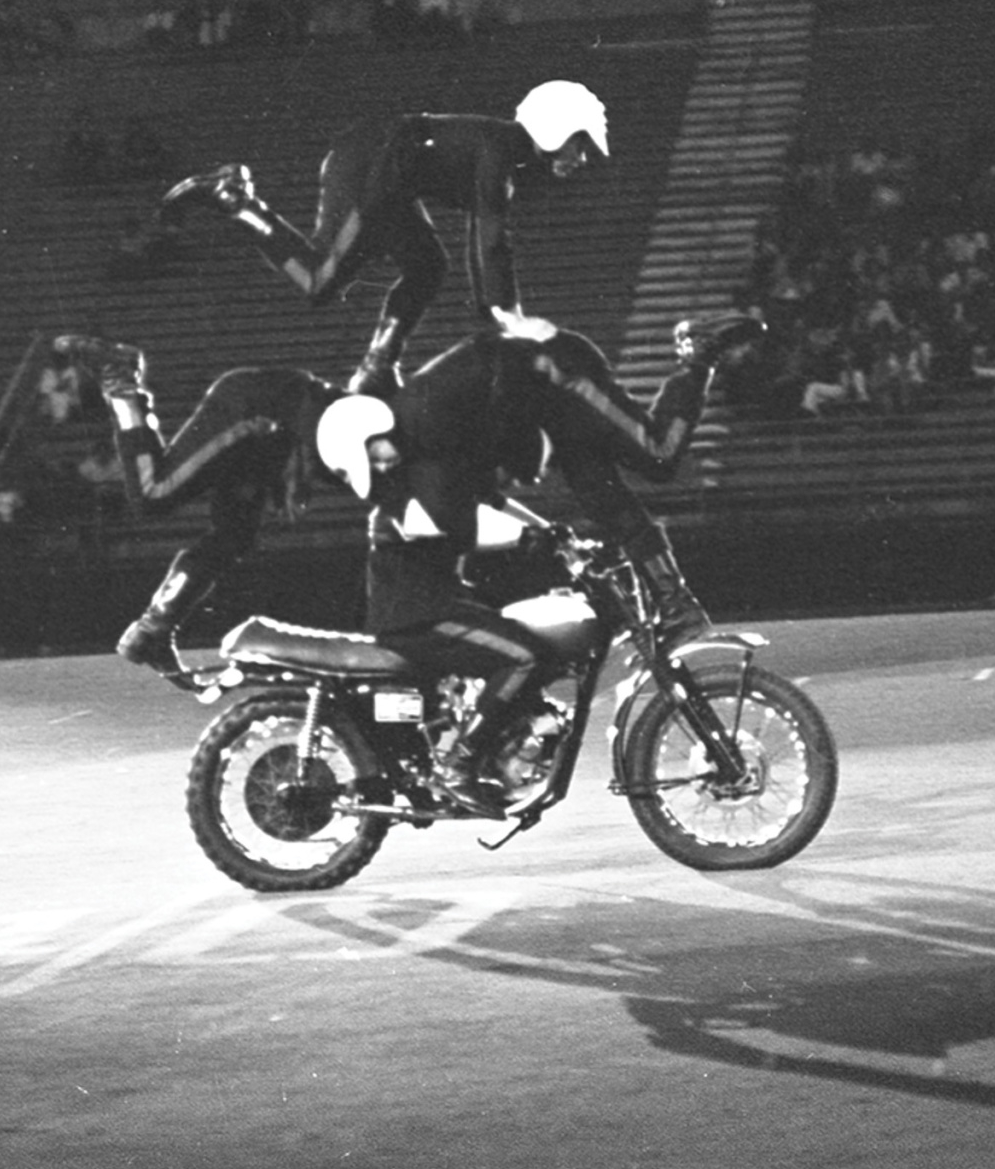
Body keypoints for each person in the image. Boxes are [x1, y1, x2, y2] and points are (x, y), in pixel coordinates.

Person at [157, 81, 609, 391]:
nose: (582, 158)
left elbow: (483, 232)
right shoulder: (501, 152)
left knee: (429, 266)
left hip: (387, 175)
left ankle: (378, 365)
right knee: (318, 282)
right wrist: (508, 315)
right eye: (581, 143)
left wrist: (498, 312)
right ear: (557, 127)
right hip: (368, 170)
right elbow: (491, 234)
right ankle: (235, 200)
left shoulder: (507, 151)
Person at [386, 309, 763, 645]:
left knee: (658, 456)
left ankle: (700, 354)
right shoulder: (425, 452)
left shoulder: (422, 435)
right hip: (547, 408)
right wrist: (544, 529)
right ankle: (677, 607)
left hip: (561, 378)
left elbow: (489, 482)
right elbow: (491, 496)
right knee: (608, 506)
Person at [313, 389, 565, 815]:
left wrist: (555, 533)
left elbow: (488, 499)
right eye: (370, 461)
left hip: (439, 609)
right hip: (418, 620)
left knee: (526, 644)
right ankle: (459, 767)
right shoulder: (394, 504)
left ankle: (500, 746)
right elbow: (460, 524)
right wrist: (528, 537)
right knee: (524, 658)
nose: (381, 462)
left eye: (376, 451)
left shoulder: (421, 479)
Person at [56, 336, 340, 675]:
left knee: (236, 535)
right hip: (260, 407)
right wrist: (297, 463)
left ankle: (153, 631)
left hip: (273, 429)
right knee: (153, 493)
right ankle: (122, 387)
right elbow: (321, 412)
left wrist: (290, 464)